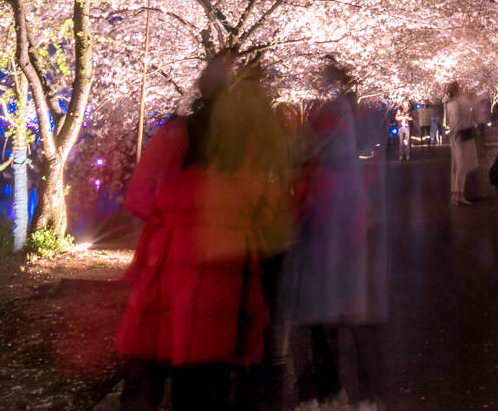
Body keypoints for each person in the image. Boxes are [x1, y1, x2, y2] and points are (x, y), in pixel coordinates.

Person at [117, 54, 288, 410]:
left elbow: (137, 196)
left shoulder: (173, 134)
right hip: (228, 268)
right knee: (207, 378)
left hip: (170, 262)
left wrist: (169, 218)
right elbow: (267, 205)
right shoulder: (248, 145)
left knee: (154, 362)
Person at [283, 57, 388, 411]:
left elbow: (297, 152)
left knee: (324, 316)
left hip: (325, 225)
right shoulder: (358, 121)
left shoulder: (326, 120)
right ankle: (364, 395)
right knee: (352, 317)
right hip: (349, 223)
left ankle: (331, 393)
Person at [444, 80, 480, 206]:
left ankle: (456, 194)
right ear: (455, 90)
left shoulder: (451, 103)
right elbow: (458, 119)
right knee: (461, 167)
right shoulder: (458, 103)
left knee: (456, 166)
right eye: (459, 88)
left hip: (456, 136)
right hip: (461, 135)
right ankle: (459, 194)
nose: (461, 90)